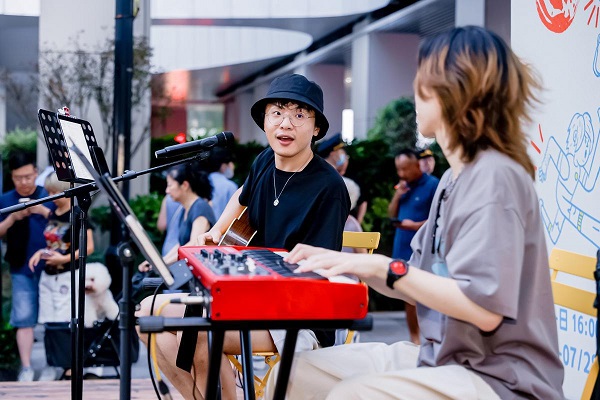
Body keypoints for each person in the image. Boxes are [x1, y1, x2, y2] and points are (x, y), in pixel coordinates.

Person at [281, 26, 565, 399]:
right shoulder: (452, 180)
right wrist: (342, 262)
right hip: (440, 359)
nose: (415, 88)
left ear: (455, 90)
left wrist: (380, 267)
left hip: (502, 380)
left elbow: (484, 310)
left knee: (353, 395)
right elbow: (414, 284)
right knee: (298, 372)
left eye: (424, 77)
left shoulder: (496, 177)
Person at [136, 73, 350, 399]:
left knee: (198, 331)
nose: (286, 124)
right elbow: (241, 196)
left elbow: (318, 272)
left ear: (317, 128)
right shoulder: (265, 161)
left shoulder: (329, 188)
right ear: (265, 121)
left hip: (299, 316)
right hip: (250, 297)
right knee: (146, 317)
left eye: (299, 114)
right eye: (277, 112)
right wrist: (217, 231)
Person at [28, 171, 95, 381]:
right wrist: (42, 253)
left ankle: (70, 366)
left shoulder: (77, 214)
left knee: (66, 320)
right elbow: (53, 243)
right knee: (49, 320)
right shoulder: (52, 214)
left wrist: (63, 260)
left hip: (67, 274)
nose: (51, 196)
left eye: (54, 192)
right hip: (49, 274)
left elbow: (89, 247)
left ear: (66, 192)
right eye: (49, 192)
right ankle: (55, 362)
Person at [0, 153, 54, 382]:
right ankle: (26, 367)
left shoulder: (50, 194)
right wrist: (12, 219)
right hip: (21, 265)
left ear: (36, 173)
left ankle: (55, 364)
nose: (23, 182)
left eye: (28, 176)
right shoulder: (5, 199)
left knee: (55, 316)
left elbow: (67, 222)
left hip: (53, 267)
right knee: (23, 317)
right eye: (18, 178)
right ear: (11, 177)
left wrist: (43, 211)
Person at [388, 148, 439, 343]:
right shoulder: (403, 186)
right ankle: (414, 338)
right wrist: (398, 195)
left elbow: (439, 217)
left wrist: (416, 226)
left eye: (405, 169)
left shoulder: (433, 185)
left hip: (423, 247)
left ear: (417, 165)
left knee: (424, 293)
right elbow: (391, 214)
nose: (401, 174)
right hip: (402, 244)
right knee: (407, 294)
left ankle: (430, 337)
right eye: (398, 169)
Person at [316, 133, 368, 223]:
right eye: (343, 154)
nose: (346, 158)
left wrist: (355, 225)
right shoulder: (320, 177)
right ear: (333, 154)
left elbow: (363, 200)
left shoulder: (348, 177)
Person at [205, 147, 238, 219]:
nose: (233, 167)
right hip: (222, 229)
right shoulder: (230, 186)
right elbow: (235, 213)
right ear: (223, 166)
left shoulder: (201, 182)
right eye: (231, 163)